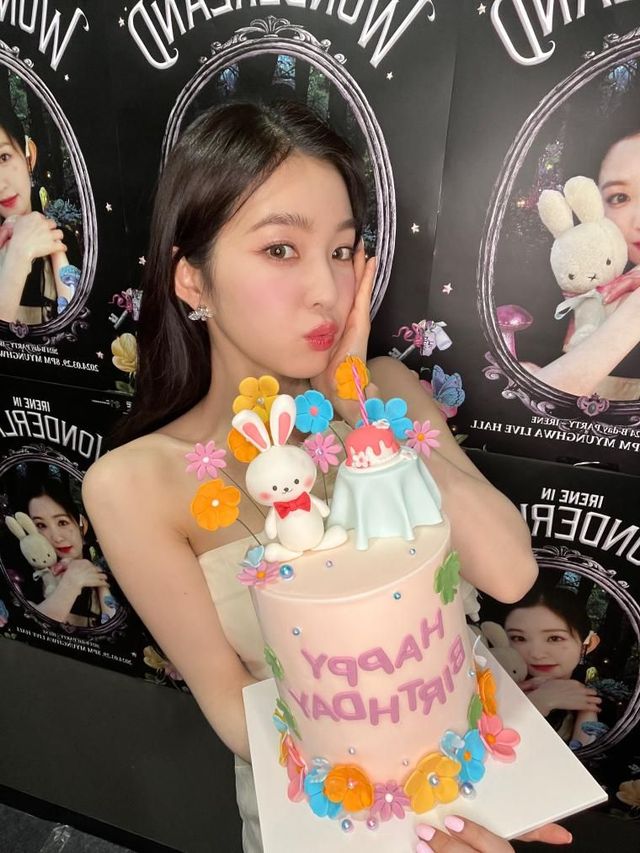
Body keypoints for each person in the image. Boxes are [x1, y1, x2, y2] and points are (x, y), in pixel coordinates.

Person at [82, 101, 569, 852]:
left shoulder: (385, 392)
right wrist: (401, 820)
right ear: (192, 280)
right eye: (281, 249)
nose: (327, 289)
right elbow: (232, 705)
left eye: (342, 251)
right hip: (328, 815)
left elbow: (508, 573)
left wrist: (358, 406)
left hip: (474, 774)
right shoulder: (132, 485)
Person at [0, 105, 79, 324]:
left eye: (3, 157)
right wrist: (17, 257)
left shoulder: (64, 240)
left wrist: (56, 251)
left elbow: (77, 329)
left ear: (29, 156)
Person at [503, 583, 602, 749]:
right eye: (519, 638)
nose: (537, 654)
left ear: (588, 644)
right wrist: (538, 703)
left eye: (555, 638)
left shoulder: (594, 702)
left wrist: (587, 710)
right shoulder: (489, 682)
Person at [21, 477, 116, 628]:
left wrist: (101, 586)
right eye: (41, 525)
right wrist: (70, 585)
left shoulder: (112, 577)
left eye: (62, 522)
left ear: (82, 525)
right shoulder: (29, 583)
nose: (57, 537)